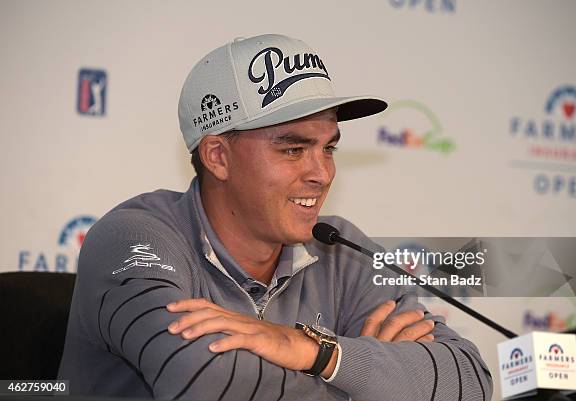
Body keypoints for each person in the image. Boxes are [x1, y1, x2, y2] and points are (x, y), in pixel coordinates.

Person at [59, 34, 492, 401]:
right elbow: (203, 381)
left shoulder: (341, 250)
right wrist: (365, 380)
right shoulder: (136, 237)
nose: (321, 174)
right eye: (293, 149)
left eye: (329, 148)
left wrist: (312, 351)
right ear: (218, 156)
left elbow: (471, 379)